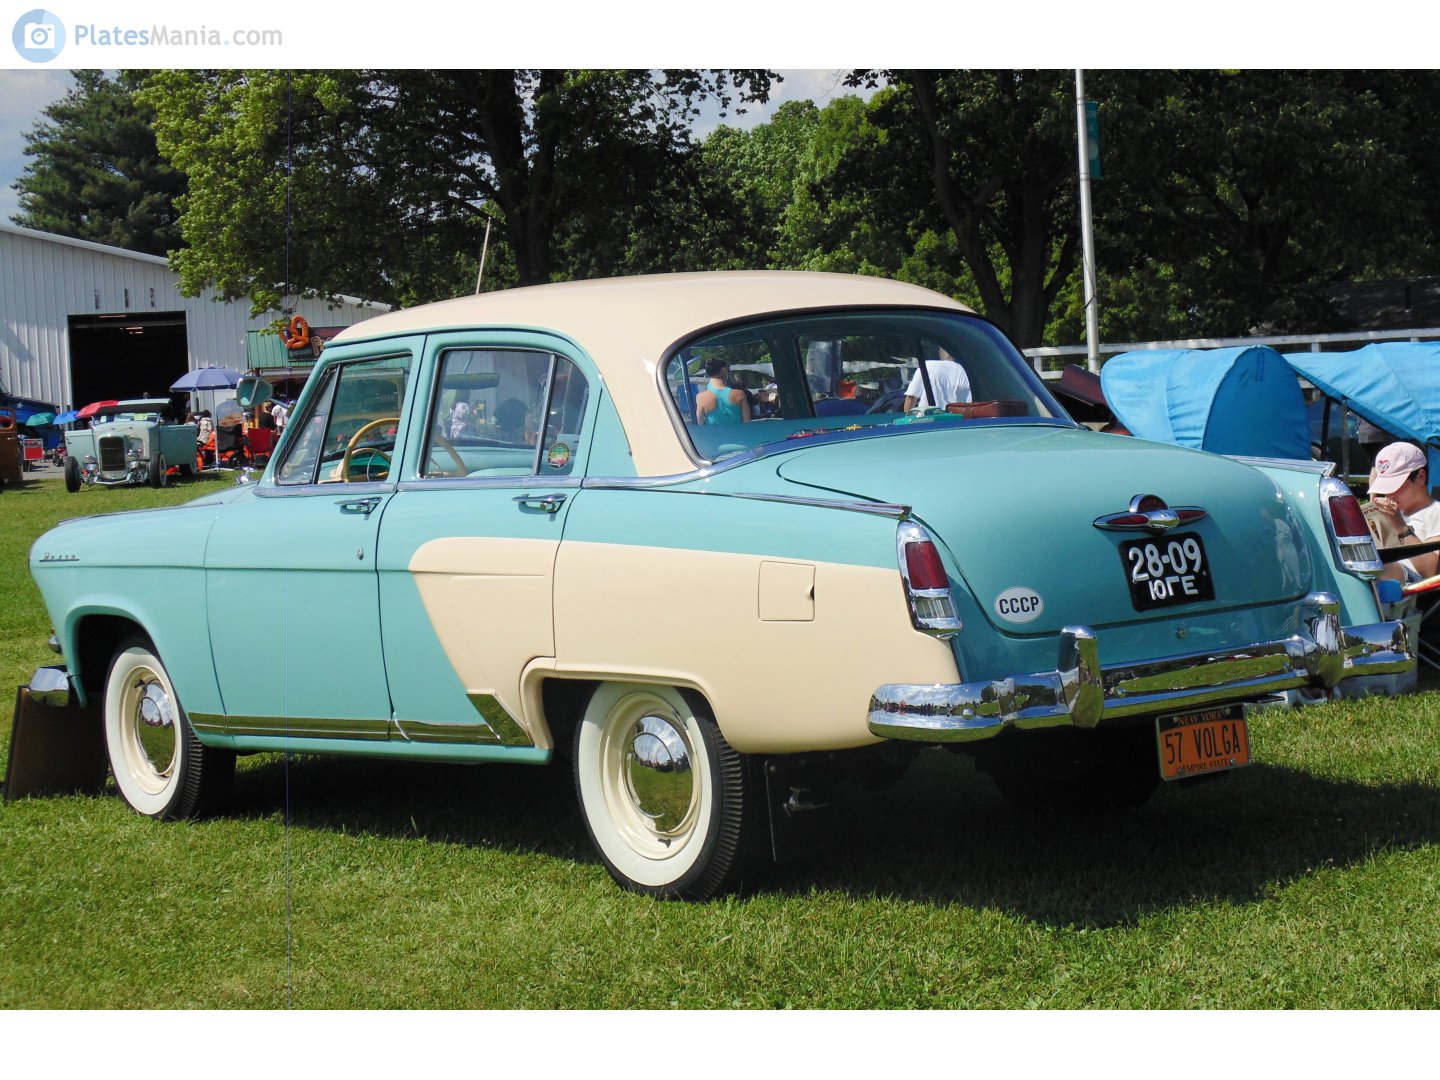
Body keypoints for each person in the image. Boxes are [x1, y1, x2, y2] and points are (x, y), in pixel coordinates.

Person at [1369, 442, 1440, 583]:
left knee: (1381, 569)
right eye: (1385, 488)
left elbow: (1433, 572)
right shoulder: (1391, 511)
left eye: (1395, 487)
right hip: (1388, 576)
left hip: (1415, 585)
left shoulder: (1435, 512)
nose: (1389, 495)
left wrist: (1400, 526)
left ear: (1420, 477)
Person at [903, 347, 972, 412]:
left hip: (928, 420)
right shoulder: (965, 371)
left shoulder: (926, 366)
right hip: (956, 421)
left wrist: (906, 421)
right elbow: (970, 403)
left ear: (940, 352)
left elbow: (911, 398)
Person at [695, 359, 750, 425]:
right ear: (723, 370)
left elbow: (700, 425)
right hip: (737, 434)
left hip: (714, 435)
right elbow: (747, 424)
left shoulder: (700, 397)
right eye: (728, 369)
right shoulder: (739, 394)